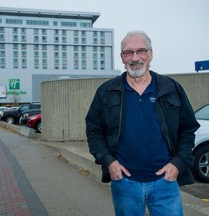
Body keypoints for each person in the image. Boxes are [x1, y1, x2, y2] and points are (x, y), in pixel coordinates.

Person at [85, 30, 200, 216]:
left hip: (166, 183)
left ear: (151, 54)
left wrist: (178, 163)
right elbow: (94, 130)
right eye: (128, 52)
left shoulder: (171, 89)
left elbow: (188, 129)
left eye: (141, 51)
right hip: (124, 183)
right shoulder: (106, 92)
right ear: (122, 58)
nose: (135, 57)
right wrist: (108, 161)